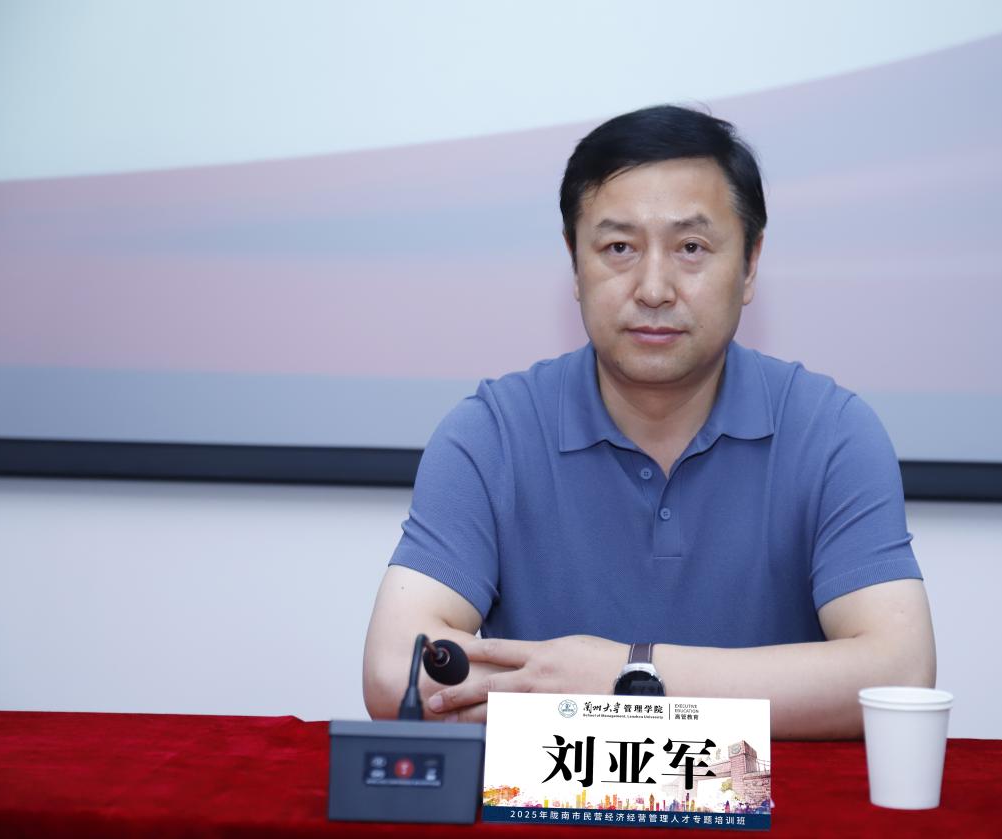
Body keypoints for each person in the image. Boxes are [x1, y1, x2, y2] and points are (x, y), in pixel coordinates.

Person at [362, 105, 935, 739]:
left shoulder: (832, 433)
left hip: (763, 796)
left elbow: (900, 673)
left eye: (691, 248)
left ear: (749, 265)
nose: (654, 288)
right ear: (574, 263)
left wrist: (625, 676)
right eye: (619, 248)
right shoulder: (491, 434)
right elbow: (395, 671)